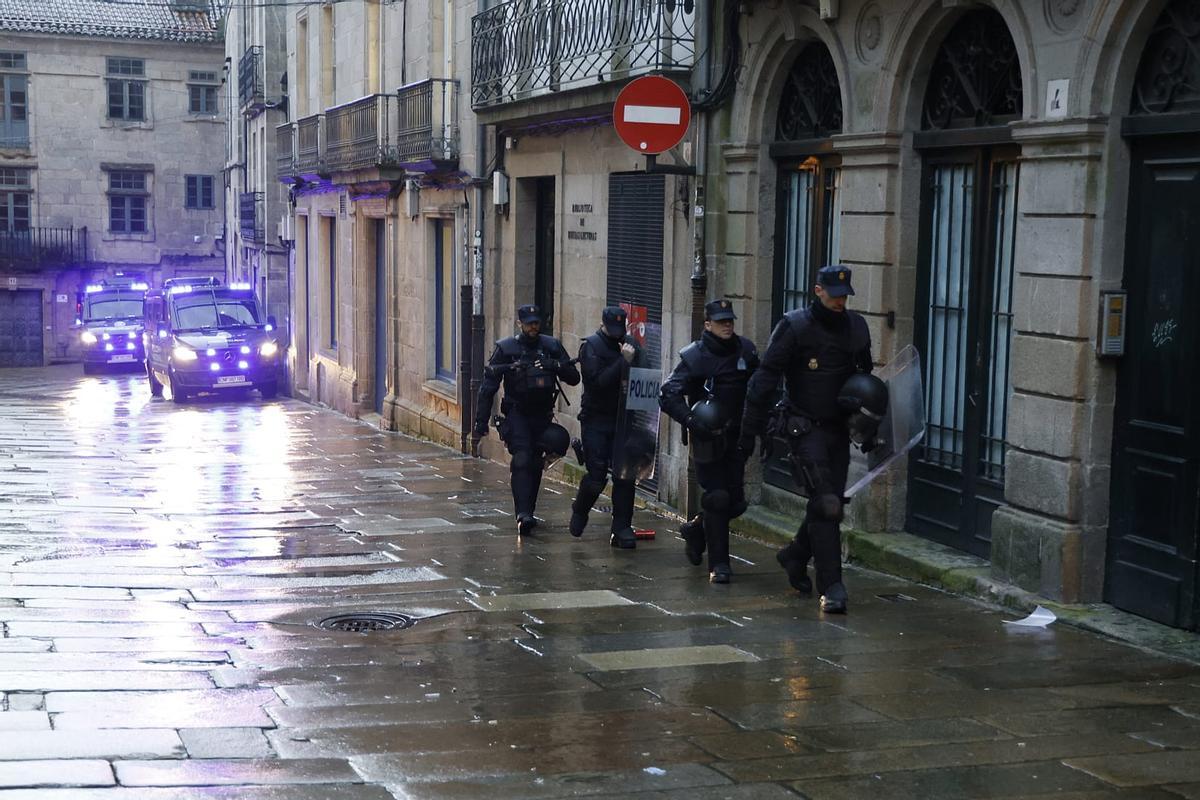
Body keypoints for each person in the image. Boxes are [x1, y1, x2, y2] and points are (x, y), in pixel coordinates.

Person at [739, 265, 872, 613]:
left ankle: (795, 555)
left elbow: (865, 380)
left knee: (831, 504)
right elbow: (764, 379)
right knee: (826, 505)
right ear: (818, 290)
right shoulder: (795, 326)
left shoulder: (856, 327)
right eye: (834, 294)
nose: (840, 301)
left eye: (845, 295)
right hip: (803, 426)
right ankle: (832, 587)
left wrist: (871, 428)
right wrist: (750, 432)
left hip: (838, 428)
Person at [659, 299, 759, 583]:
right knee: (717, 498)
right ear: (708, 325)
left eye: (730, 320)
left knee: (736, 503)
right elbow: (668, 393)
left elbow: (761, 389)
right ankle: (719, 565)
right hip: (707, 438)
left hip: (737, 435)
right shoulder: (696, 356)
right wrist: (692, 421)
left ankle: (697, 529)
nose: (727, 325)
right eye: (721, 321)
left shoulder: (746, 350)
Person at [473, 304, 581, 536]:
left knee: (547, 451)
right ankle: (523, 514)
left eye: (536, 322)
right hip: (517, 413)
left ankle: (529, 510)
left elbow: (574, 378)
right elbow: (488, 386)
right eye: (529, 322)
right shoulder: (507, 349)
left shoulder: (551, 346)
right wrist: (480, 423)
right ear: (519, 323)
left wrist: (556, 366)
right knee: (522, 458)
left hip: (543, 415)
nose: (533, 327)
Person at [570, 306, 644, 549]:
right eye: (613, 330)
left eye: (620, 330)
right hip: (596, 419)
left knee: (625, 475)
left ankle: (622, 527)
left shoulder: (629, 343)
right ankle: (580, 509)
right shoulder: (591, 347)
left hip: (623, 418)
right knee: (597, 476)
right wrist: (623, 362)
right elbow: (597, 383)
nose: (617, 335)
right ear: (603, 325)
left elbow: (644, 375)